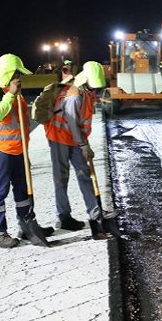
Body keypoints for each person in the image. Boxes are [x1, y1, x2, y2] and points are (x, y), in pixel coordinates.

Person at [0, 54, 53, 248]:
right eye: (17, 72)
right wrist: (10, 94)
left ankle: (27, 226)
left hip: (18, 150)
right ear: (7, 72)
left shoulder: (11, 90)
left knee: (22, 190)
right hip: (0, 151)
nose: (19, 76)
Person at [44, 61, 109, 239]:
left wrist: (83, 143)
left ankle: (95, 214)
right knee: (61, 178)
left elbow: (81, 123)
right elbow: (72, 123)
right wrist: (84, 146)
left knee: (84, 174)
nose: (94, 89)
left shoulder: (86, 92)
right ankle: (64, 217)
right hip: (59, 138)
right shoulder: (73, 95)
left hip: (75, 139)